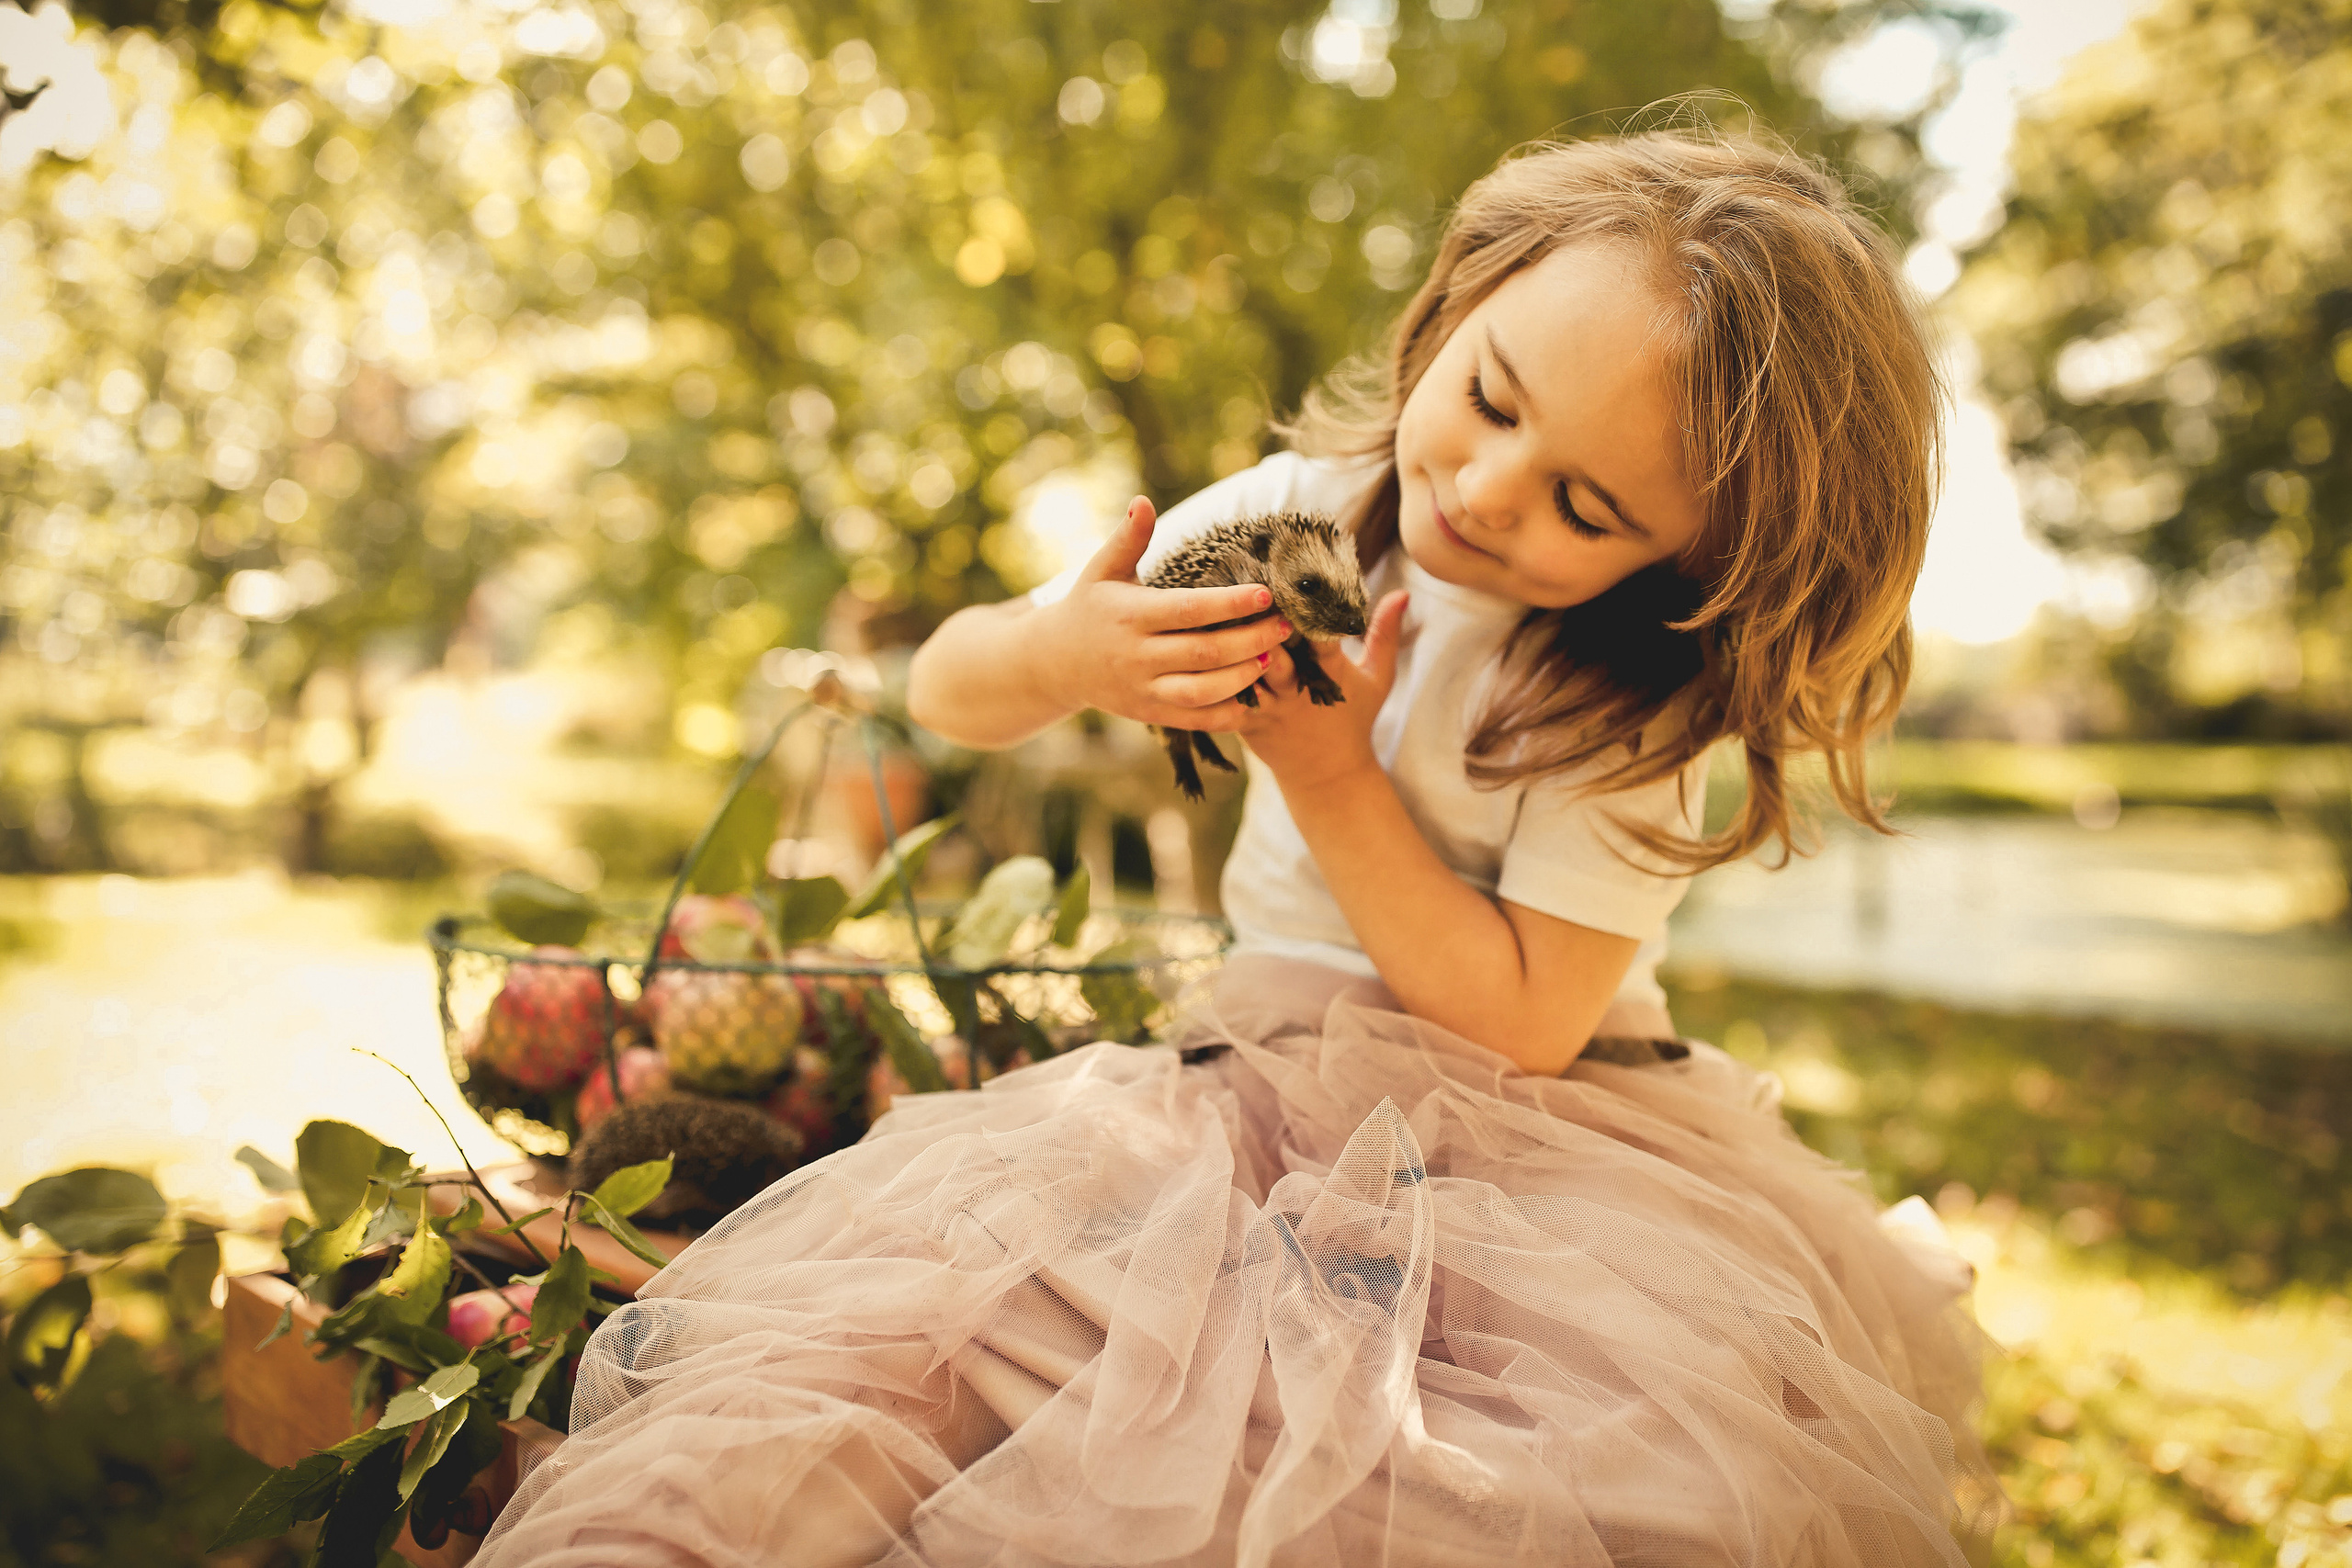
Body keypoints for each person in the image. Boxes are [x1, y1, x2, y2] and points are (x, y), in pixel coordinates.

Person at [479, 129, 2002, 1567]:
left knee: (1500, 1485)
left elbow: (1525, 1021)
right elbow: (943, 692)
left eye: (1582, 505)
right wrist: (1066, 650)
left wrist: (1331, 773)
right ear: (1466, 295)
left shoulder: (1633, 706)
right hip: (1235, 1088)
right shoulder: (1301, 518)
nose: (1481, 489)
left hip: (1540, 1162)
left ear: (1689, 562)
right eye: (1489, 398)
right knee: (942, 1356)